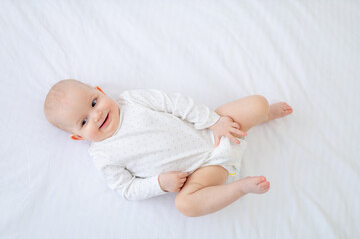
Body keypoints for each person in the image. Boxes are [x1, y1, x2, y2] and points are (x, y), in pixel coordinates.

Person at [44, 79, 293, 217]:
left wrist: (214, 121)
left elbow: (176, 104)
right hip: (205, 170)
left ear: (100, 91)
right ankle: (240, 187)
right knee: (186, 205)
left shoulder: (131, 100)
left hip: (212, 129)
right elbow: (127, 189)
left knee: (258, 103)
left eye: (94, 102)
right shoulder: (103, 156)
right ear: (78, 137)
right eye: (84, 121)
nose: (96, 115)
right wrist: (160, 183)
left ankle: (266, 114)